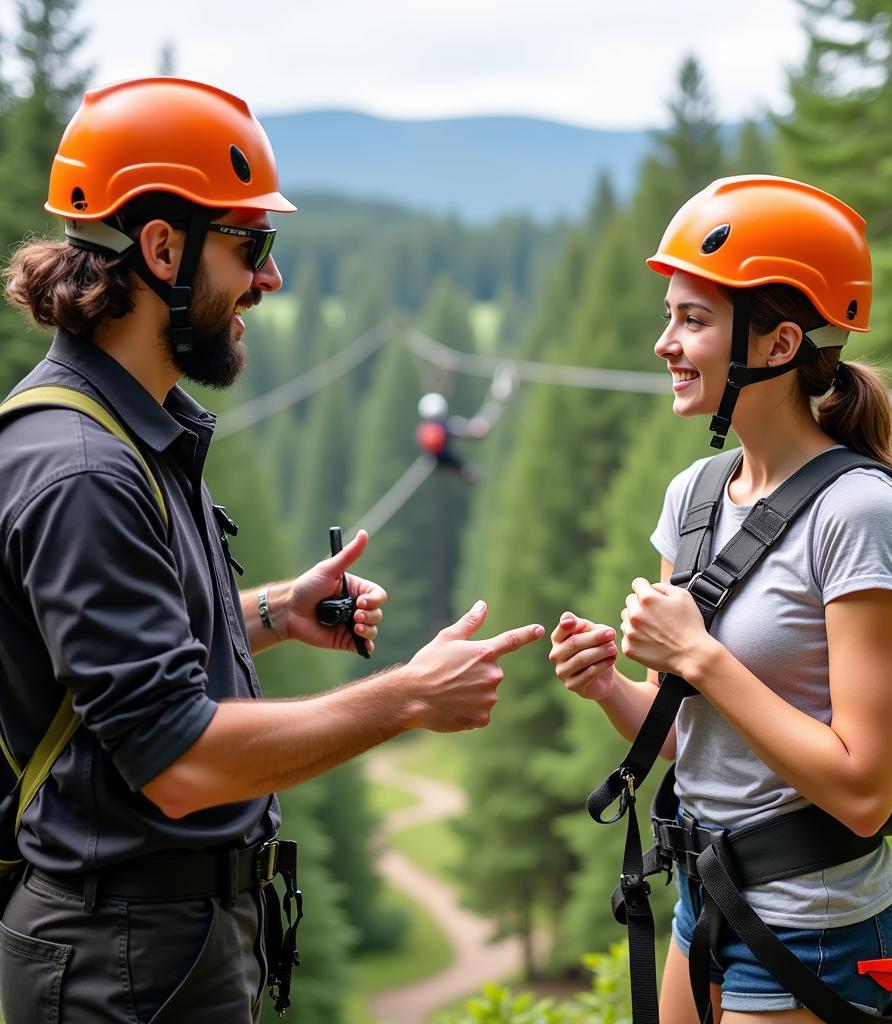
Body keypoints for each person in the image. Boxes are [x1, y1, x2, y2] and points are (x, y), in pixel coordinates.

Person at [0, 77, 544, 1024]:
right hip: (121, 960)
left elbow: (114, 678)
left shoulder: (133, 430)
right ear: (162, 247)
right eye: (250, 245)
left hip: (156, 943)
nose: (269, 279)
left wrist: (272, 614)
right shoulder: (85, 467)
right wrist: (407, 697)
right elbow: (176, 757)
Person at [550, 176, 892, 1022]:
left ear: (780, 339)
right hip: (707, 896)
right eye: (669, 316)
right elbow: (686, 741)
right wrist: (614, 686)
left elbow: (866, 788)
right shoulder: (694, 494)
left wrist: (699, 655)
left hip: (817, 923)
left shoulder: (857, 513)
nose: (666, 344)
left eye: (693, 320)